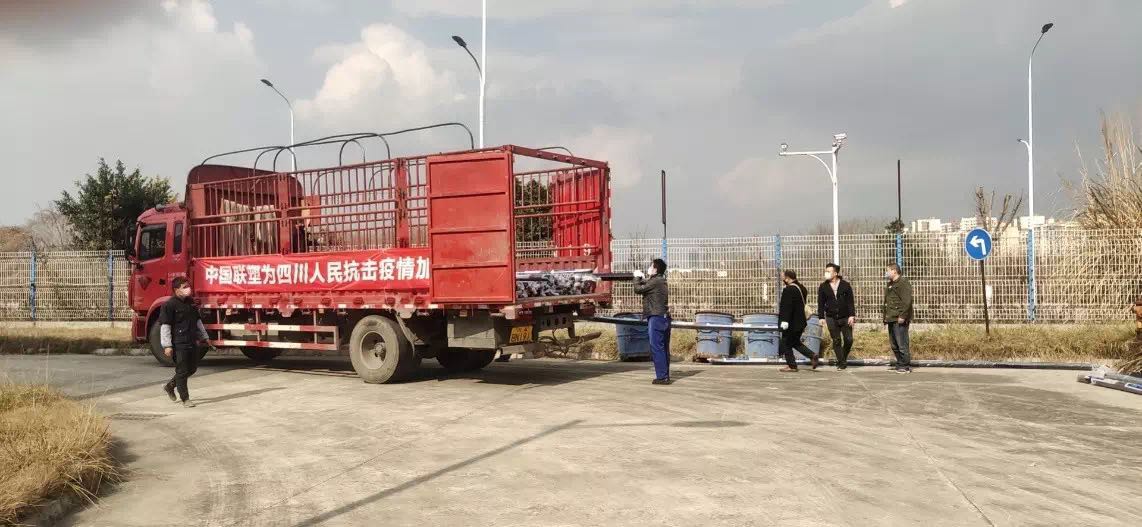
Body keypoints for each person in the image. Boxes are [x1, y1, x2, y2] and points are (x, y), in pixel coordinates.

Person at [160, 277, 210, 407]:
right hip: (179, 342)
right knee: (182, 371)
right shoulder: (169, 305)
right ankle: (185, 399)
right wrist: (167, 345)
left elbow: (197, 321)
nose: (188, 289)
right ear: (176, 290)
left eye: (188, 286)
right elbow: (165, 326)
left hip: (192, 340)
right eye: (184, 287)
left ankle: (170, 386)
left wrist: (204, 336)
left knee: (192, 368)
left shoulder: (190, 302)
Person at [633, 258, 671, 385]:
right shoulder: (660, 280)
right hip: (663, 317)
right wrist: (642, 278)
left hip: (656, 317)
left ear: (655, 269)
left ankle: (662, 377)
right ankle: (664, 375)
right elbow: (647, 284)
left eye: (651, 266)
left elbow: (638, 289)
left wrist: (636, 278)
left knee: (656, 347)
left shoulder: (655, 281)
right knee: (663, 347)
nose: (649, 268)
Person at [778, 270, 819, 372]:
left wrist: (784, 321)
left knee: (786, 343)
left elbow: (787, 307)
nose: (782, 279)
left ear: (787, 278)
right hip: (800, 322)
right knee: (795, 342)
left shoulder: (789, 290)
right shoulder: (802, 288)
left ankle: (792, 366)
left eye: (783, 277)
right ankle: (812, 355)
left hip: (791, 323)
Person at [817, 263, 856, 370]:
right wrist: (821, 317)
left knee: (849, 339)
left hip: (845, 316)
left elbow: (850, 302)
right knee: (836, 340)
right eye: (826, 271)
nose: (826, 273)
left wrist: (852, 315)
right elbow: (820, 303)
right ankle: (842, 362)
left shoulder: (845, 285)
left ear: (835, 273)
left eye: (829, 271)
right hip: (831, 317)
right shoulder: (823, 286)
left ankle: (842, 357)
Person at [883, 263, 914, 373]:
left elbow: (907, 301)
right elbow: (888, 302)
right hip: (891, 317)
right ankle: (900, 363)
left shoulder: (903, 283)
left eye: (888, 270)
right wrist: (885, 317)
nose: (886, 273)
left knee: (902, 343)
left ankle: (905, 365)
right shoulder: (890, 284)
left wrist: (903, 316)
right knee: (894, 344)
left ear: (894, 271)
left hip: (899, 318)